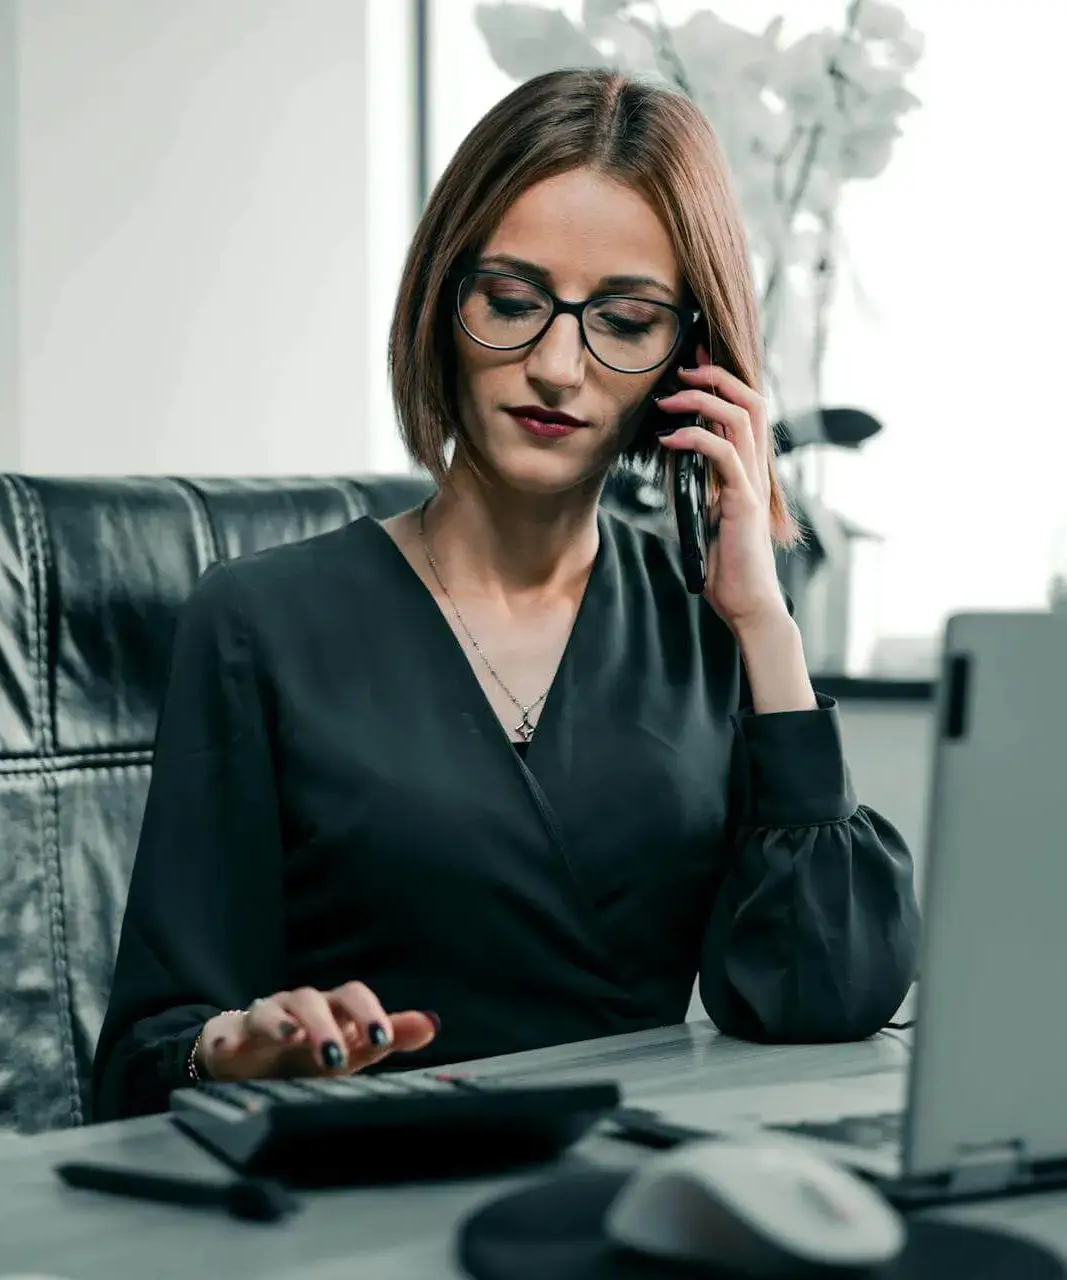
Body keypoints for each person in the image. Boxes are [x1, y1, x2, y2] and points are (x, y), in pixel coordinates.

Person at [88, 69, 921, 1121]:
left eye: (625, 320)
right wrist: (229, 1051)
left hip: (629, 1178)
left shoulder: (706, 624)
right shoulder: (259, 620)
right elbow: (147, 1059)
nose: (557, 366)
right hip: (364, 1185)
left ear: (688, 359)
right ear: (443, 302)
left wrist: (765, 624)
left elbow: (825, 994)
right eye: (513, 303)